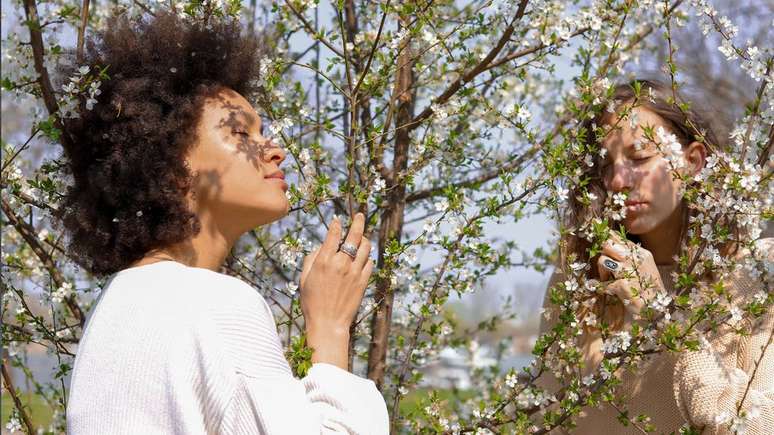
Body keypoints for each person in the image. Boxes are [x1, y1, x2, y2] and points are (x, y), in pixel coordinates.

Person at [61, 11, 388, 434]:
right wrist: (330, 326)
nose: (274, 152)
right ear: (170, 160)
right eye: (241, 134)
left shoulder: (114, 312)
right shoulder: (213, 304)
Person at [537, 80, 773, 433]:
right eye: (605, 164)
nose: (618, 180)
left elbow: (756, 426)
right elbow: (550, 416)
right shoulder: (581, 270)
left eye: (640, 156)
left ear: (693, 161)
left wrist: (661, 316)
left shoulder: (757, 272)